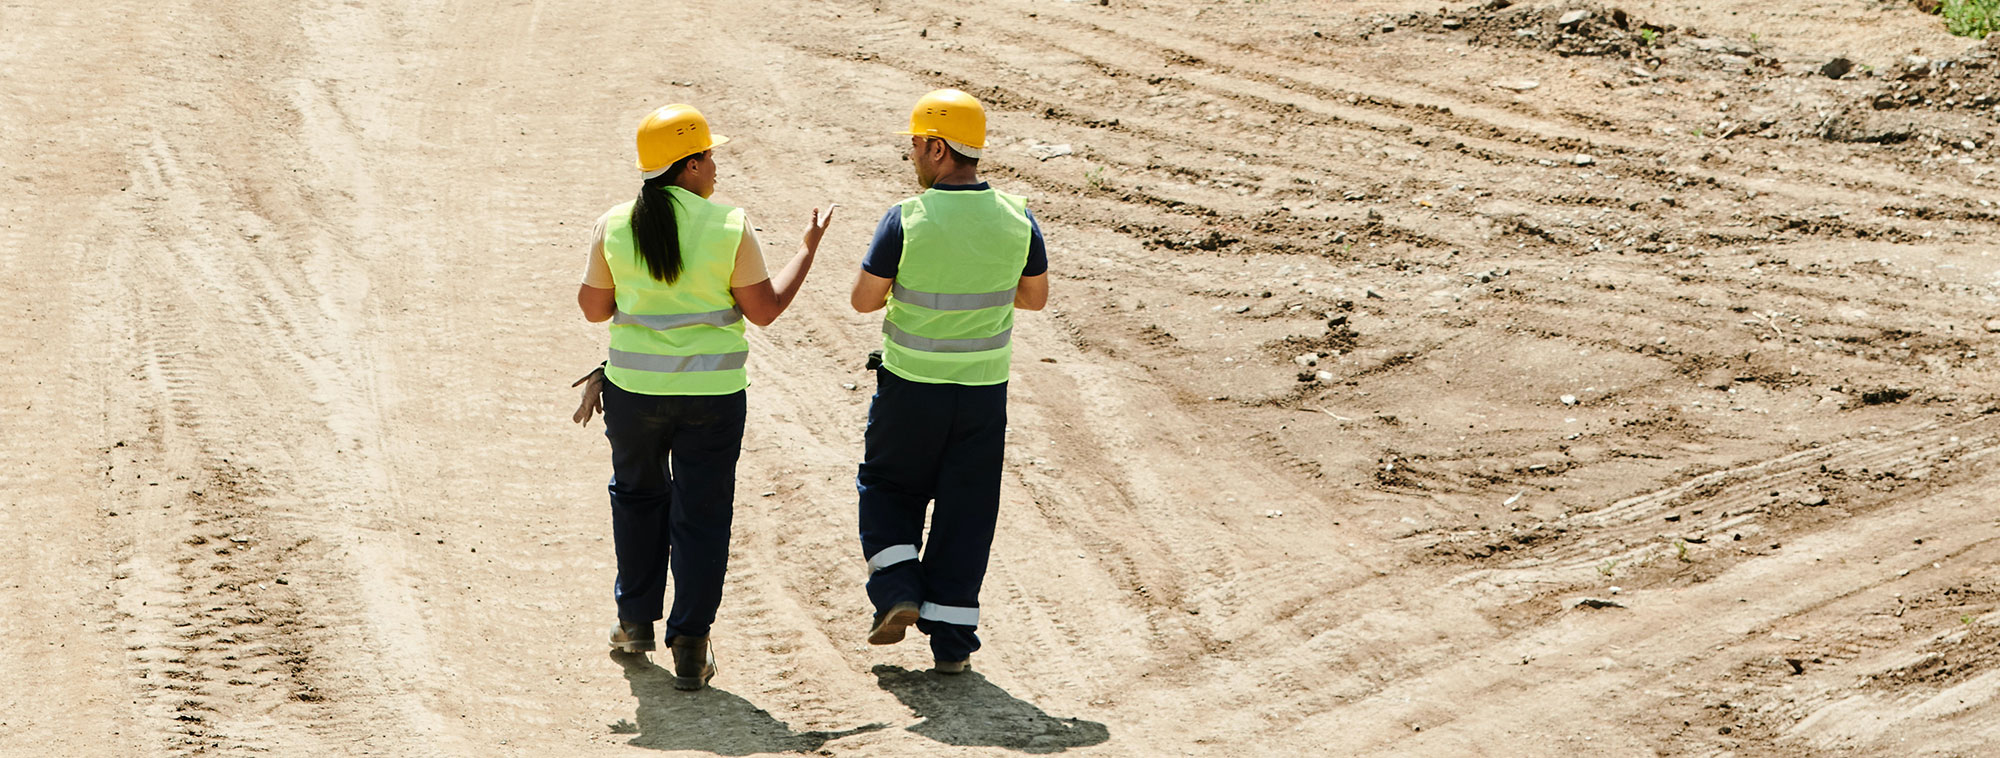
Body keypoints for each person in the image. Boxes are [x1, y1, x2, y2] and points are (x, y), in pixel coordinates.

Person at [572, 103, 833, 691]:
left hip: (634, 395)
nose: (716, 166)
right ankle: (690, 644)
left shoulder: (615, 223)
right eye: (711, 156)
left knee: (637, 500)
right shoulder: (728, 225)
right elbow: (764, 311)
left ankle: (634, 622)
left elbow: (593, 309)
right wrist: (808, 250)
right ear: (689, 164)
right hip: (713, 399)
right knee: (703, 515)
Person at [849, 89, 1049, 674]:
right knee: (968, 512)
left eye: (915, 143)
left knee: (887, 489)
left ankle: (897, 590)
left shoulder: (907, 218)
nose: (911, 153)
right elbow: (1034, 299)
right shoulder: (1017, 215)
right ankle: (953, 649)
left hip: (911, 388)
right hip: (983, 394)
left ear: (937, 148)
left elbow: (864, 300)